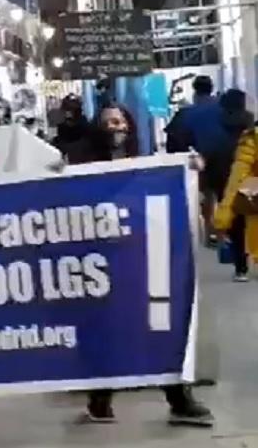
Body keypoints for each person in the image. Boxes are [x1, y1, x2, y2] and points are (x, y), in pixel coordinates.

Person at [71, 105, 213, 427]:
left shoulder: (147, 161)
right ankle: (100, 399)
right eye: (107, 122)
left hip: (144, 257)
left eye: (118, 121)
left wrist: (189, 170)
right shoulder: (82, 160)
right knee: (107, 330)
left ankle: (178, 398)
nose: (114, 127)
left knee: (161, 325)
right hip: (103, 260)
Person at [170, 78, 236, 245]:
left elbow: (176, 137)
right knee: (225, 196)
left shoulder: (187, 112)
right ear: (212, 88)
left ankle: (209, 233)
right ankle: (225, 235)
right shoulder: (224, 108)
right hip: (227, 156)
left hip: (202, 157)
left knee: (207, 194)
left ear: (194, 91)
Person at [214, 102, 258, 282]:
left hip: (250, 189)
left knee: (239, 224)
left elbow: (239, 176)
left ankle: (241, 268)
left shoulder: (251, 138)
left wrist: (224, 212)